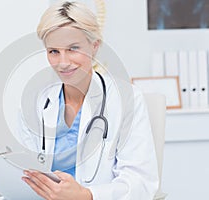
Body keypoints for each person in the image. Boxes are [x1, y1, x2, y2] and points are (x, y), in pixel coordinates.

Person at [20, 1, 159, 199]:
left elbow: (140, 183)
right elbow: (28, 174)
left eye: (73, 48)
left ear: (94, 46)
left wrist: (87, 195)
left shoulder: (127, 99)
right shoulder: (36, 102)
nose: (63, 62)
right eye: (54, 51)